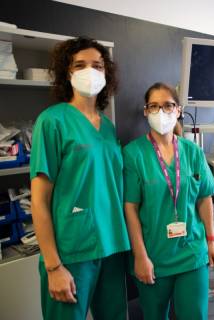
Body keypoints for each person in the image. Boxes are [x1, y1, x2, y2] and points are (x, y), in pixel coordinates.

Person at [30, 37, 130, 319]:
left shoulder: (108, 128)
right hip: (71, 251)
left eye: (98, 65)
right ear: (68, 72)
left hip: (112, 245)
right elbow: (39, 200)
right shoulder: (52, 121)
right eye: (80, 65)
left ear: (106, 73)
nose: (90, 71)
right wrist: (53, 266)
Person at [123, 82, 214, 319]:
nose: (161, 112)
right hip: (154, 255)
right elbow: (130, 209)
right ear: (146, 112)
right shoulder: (133, 153)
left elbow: (204, 198)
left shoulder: (192, 151)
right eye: (154, 106)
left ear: (178, 110)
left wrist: (211, 240)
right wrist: (140, 257)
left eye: (167, 105)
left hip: (192, 252)